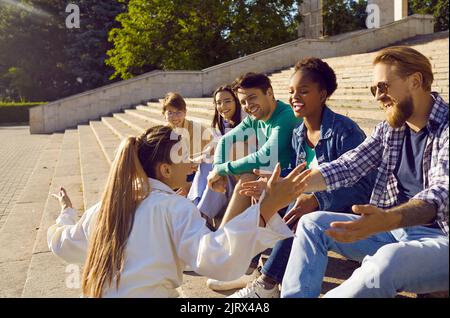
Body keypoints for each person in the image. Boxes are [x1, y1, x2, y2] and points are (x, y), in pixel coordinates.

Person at [47, 125, 311, 298]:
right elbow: (218, 260)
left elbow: (61, 243)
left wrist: (66, 212)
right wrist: (267, 208)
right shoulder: (174, 207)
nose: (191, 164)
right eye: (183, 157)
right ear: (165, 170)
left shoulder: (102, 210)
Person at [280, 46, 449, 298]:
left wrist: (388, 218)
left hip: (439, 239)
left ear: (415, 81)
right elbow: (349, 165)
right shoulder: (391, 128)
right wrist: (288, 186)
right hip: (392, 230)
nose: (378, 96)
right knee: (311, 224)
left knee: (389, 259)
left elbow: (441, 193)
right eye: (374, 89)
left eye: (384, 86)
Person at [229, 57, 376, 298]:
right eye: (291, 92)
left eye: (304, 91)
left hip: (348, 210)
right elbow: (300, 176)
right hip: (312, 203)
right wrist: (272, 183)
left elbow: (362, 188)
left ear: (322, 94)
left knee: (301, 215)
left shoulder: (344, 131)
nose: (294, 97)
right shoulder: (299, 133)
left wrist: (317, 200)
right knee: (269, 197)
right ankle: (249, 266)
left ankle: (267, 284)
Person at [207, 73, 302, 228]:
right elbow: (225, 140)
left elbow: (265, 156)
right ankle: (227, 240)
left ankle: (223, 239)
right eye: (243, 102)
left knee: (247, 180)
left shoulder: (286, 115)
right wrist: (217, 167)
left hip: (290, 180)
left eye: (252, 98)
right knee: (247, 176)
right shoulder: (253, 119)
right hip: (268, 178)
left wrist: (222, 169)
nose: (247, 105)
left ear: (269, 93)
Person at [187, 85, 245, 228]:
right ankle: (197, 207)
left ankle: (201, 214)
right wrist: (198, 159)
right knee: (205, 164)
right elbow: (214, 148)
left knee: (214, 167)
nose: (222, 106)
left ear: (236, 102)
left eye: (227, 101)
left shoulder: (246, 122)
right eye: (218, 103)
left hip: (240, 172)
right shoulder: (221, 124)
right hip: (224, 170)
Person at [161, 92, 208, 196]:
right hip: (172, 175)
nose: (175, 117)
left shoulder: (198, 129)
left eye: (179, 112)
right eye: (170, 112)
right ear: (164, 114)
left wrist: (199, 159)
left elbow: (212, 152)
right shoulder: (162, 133)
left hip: (194, 173)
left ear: (185, 112)